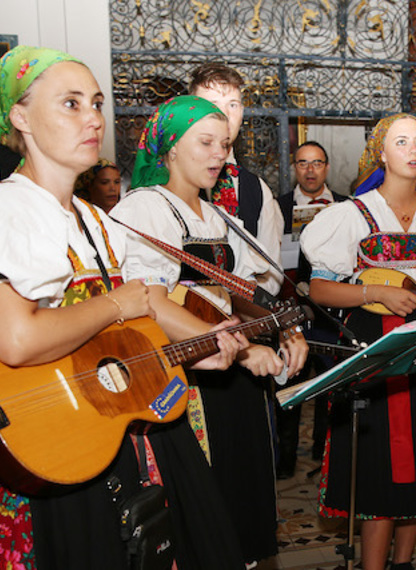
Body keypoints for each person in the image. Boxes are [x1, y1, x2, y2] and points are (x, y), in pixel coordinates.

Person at [0, 45, 248, 569]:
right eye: (71, 104)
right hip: (48, 440)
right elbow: (18, 340)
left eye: (96, 103)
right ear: (20, 117)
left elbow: (118, 337)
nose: (93, 118)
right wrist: (117, 303)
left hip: (111, 424)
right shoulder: (11, 209)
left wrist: (186, 349)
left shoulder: (98, 221)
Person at [111, 95, 307, 568]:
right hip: (189, 375)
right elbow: (152, 301)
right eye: (206, 142)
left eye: (225, 144)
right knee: (202, 506)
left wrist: (282, 327)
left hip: (232, 372)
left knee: (240, 498)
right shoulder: (146, 208)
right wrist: (239, 349)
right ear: (170, 148)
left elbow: (236, 291)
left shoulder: (218, 216)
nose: (219, 154)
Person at [300, 113, 416, 570]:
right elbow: (319, 290)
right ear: (381, 153)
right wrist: (375, 293)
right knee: (382, 458)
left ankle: (402, 562)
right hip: (374, 343)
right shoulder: (352, 214)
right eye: (401, 142)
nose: (413, 150)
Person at [274, 140, 347, 479]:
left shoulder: (346, 206)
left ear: (327, 167)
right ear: (295, 168)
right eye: (303, 163)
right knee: (290, 383)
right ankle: (286, 458)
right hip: (292, 311)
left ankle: (325, 452)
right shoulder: (278, 207)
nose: (310, 170)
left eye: (317, 162)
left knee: (332, 385)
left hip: (332, 313)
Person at [189, 62, 284, 296]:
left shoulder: (258, 189)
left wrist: (239, 301)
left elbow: (272, 272)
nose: (224, 114)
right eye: (212, 104)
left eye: (233, 104)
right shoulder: (171, 181)